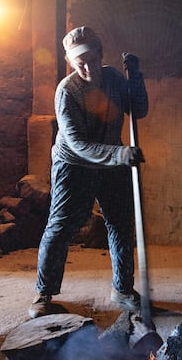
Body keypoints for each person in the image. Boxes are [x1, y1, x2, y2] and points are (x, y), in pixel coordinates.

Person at [29, 26, 148, 319]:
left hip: (111, 161)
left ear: (100, 55)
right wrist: (118, 154)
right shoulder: (67, 91)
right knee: (61, 227)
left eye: (91, 59)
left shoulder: (113, 79)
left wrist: (137, 79)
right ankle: (43, 295)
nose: (86, 66)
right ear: (70, 61)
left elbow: (139, 110)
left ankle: (123, 289)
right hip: (75, 164)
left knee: (120, 224)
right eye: (78, 61)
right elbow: (79, 144)